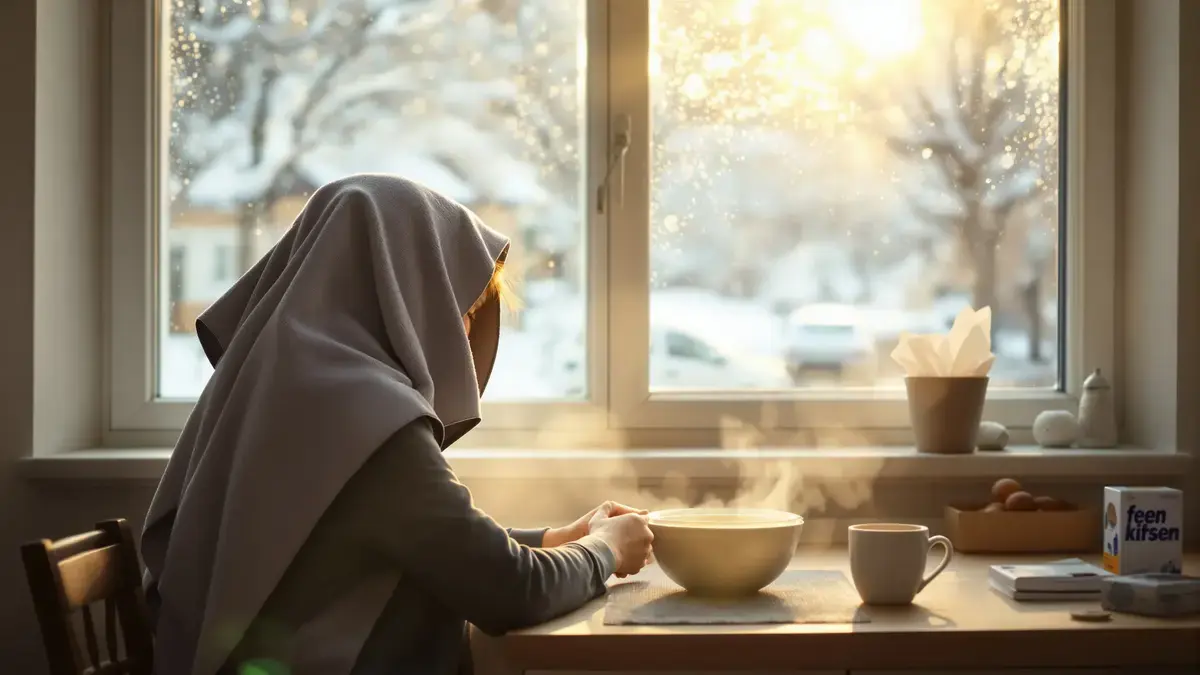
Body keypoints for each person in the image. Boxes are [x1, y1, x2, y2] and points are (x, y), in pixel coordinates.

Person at [139, 174, 655, 675]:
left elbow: (401, 536)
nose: (466, 328)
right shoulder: (367, 417)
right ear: (407, 291)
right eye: (463, 308)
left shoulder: (280, 389)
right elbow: (511, 591)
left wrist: (553, 538)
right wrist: (604, 550)